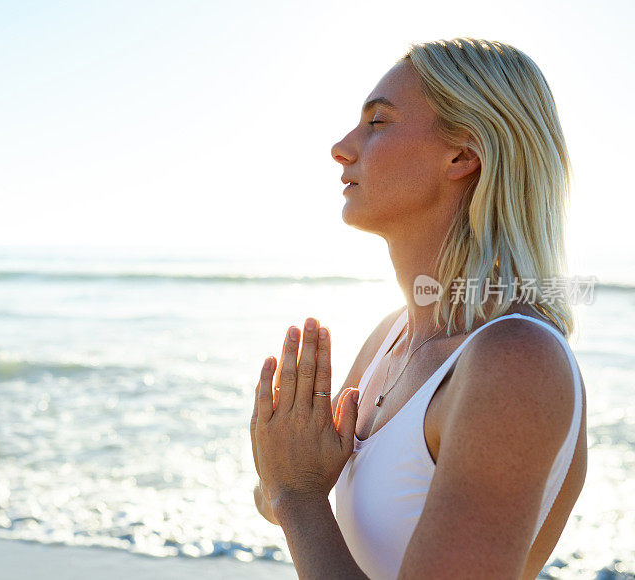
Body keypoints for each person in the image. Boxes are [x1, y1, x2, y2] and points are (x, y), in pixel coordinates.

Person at [249, 37, 587, 579]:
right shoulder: (393, 334)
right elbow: (287, 483)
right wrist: (283, 471)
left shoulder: (516, 360)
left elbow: (295, 493)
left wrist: (298, 499)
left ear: (463, 153)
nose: (341, 146)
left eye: (377, 122)